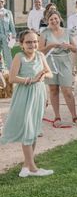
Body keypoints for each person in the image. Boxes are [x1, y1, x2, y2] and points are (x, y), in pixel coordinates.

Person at [1, 30, 54, 177]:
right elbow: (11, 78)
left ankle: (25, 166)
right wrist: (30, 80)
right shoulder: (19, 56)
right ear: (22, 44)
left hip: (39, 94)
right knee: (27, 130)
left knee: (34, 130)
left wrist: (42, 75)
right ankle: (33, 169)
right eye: (28, 42)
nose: (32, 44)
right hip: (24, 95)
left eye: (35, 41)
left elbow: (50, 73)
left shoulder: (40, 55)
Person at [38, 11, 77, 127]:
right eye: (51, 19)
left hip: (65, 62)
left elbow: (75, 49)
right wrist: (50, 46)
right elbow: (40, 51)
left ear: (60, 19)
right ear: (48, 21)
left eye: (56, 18)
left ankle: (74, 116)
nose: (54, 21)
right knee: (53, 89)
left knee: (67, 90)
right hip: (50, 62)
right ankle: (57, 116)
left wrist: (68, 46)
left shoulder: (67, 31)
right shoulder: (45, 33)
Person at [0, 0, 16, 69]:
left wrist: (14, 34)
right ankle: (1, 68)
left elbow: (11, 24)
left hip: (7, 35)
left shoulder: (8, 12)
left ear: (3, 3)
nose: (0, 3)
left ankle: (10, 69)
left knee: (7, 53)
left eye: (2, 1)